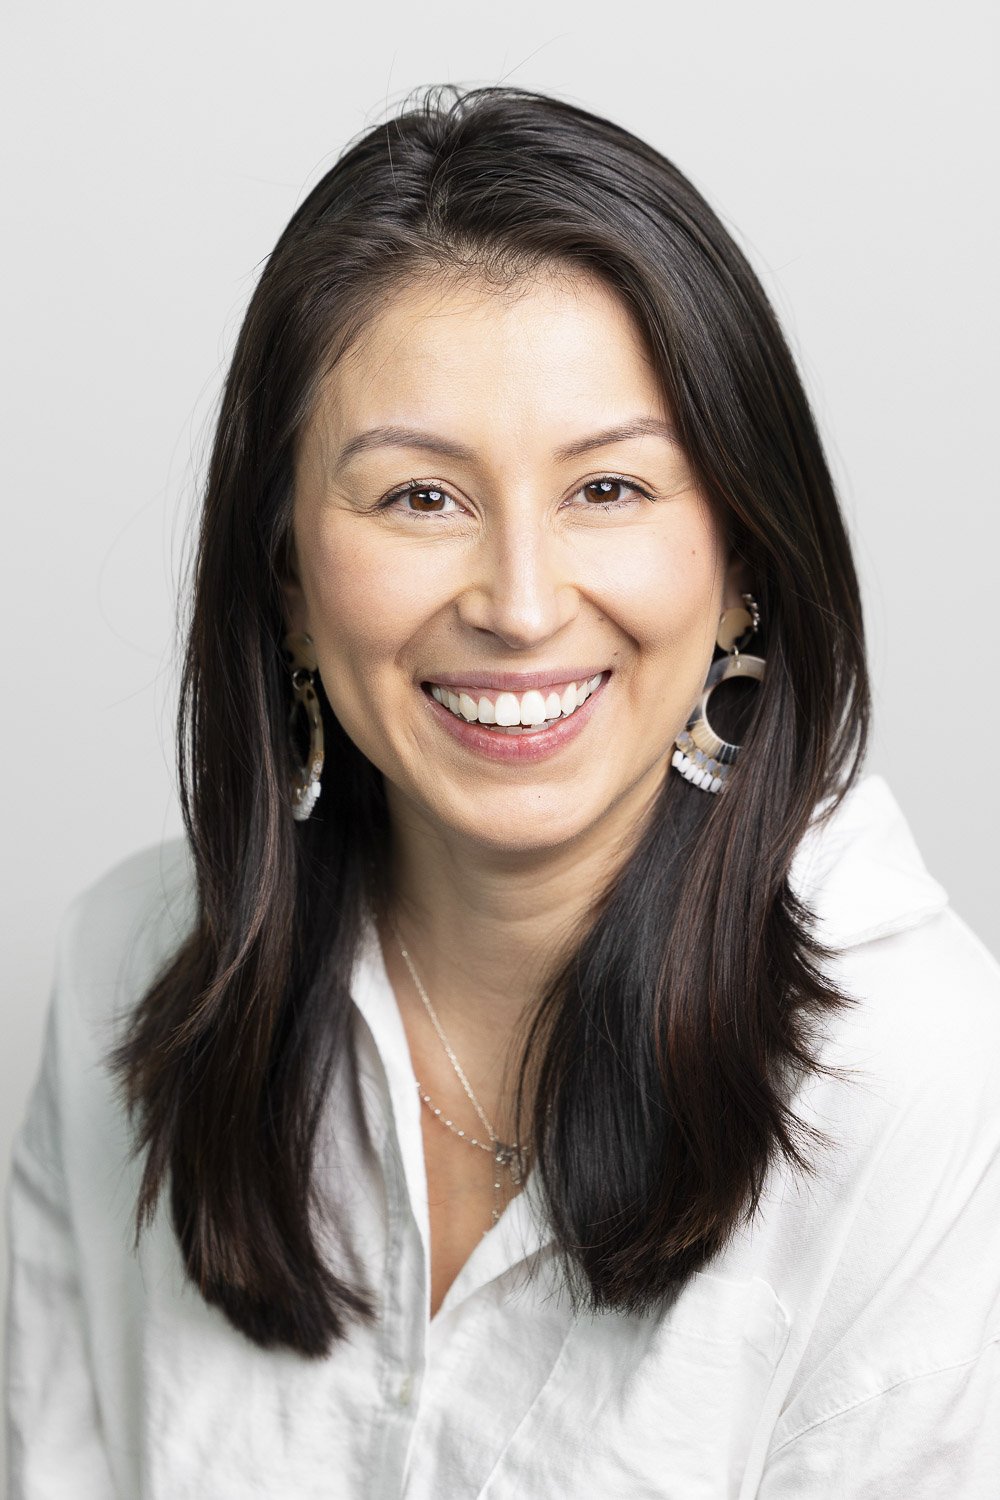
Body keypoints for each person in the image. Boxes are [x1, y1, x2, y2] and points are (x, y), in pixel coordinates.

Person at [5, 82, 999, 1499]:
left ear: (742, 573)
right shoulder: (127, 970)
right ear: (286, 582)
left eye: (610, 491)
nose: (523, 607)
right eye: (421, 497)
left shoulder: (910, 1072)